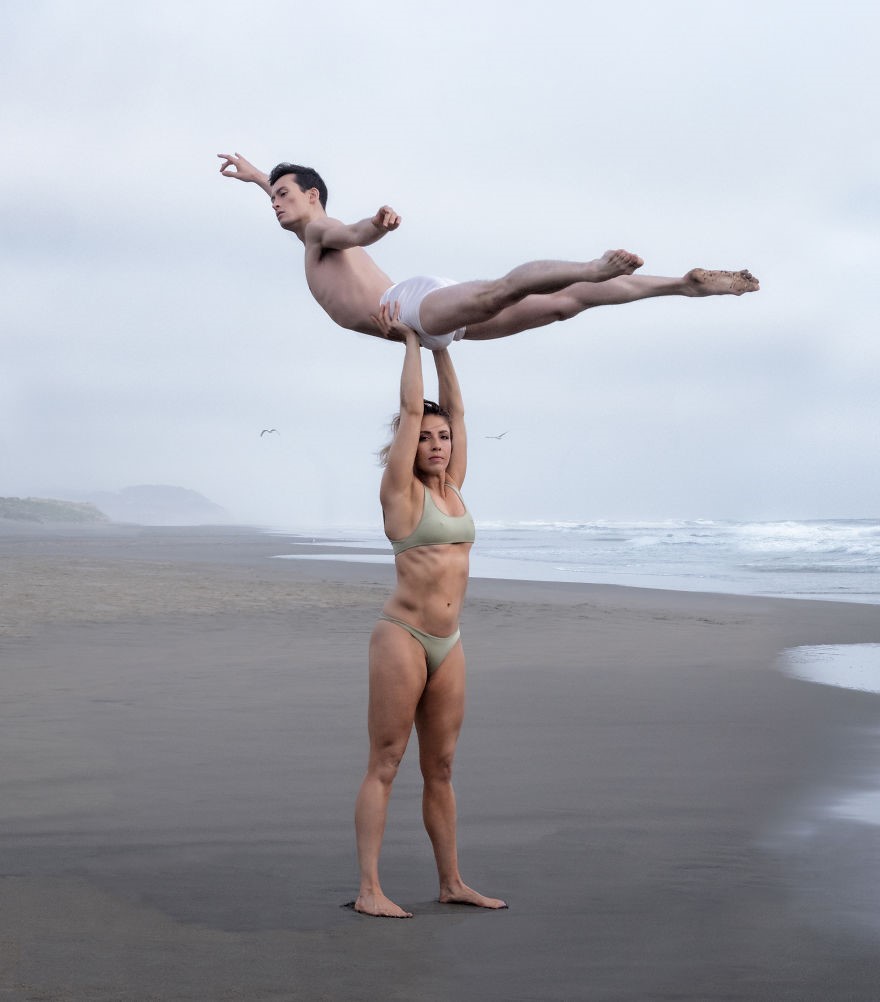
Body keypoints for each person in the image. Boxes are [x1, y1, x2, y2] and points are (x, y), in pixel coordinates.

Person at [217, 152, 760, 349]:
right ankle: (681, 285)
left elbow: (349, 232)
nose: (274, 202)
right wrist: (257, 177)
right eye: (273, 195)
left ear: (312, 197)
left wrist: (377, 227)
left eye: (283, 195)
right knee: (564, 305)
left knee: (508, 287)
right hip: (433, 325)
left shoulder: (318, 234)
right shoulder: (304, 224)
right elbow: (295, 201)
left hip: (412, 309)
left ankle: (593, 266)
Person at [352, 302, 505, 918]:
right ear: (407, 445)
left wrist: (447, 341)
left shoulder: (454, 486)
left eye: (443, 438)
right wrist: (412, 339)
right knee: (386, 762)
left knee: (440, 767)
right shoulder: (400, 491)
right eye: (426, 437)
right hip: (404, 636)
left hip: (451, 642)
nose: (438, 443)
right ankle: (369, 889)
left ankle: (452, 882)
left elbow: (456, 410)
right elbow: (417, 407)